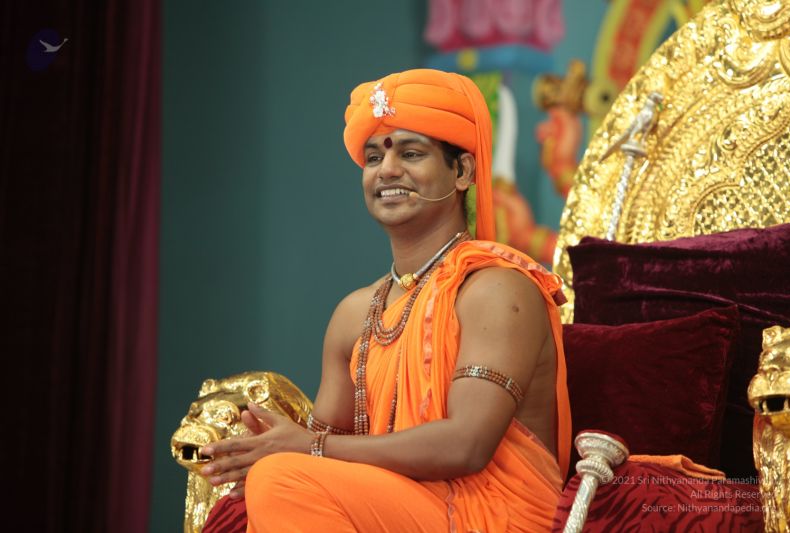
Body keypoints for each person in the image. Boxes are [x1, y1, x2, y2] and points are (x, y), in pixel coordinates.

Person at [200, 69, 571, 532]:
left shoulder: (497, 290)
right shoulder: (354, 314)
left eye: (411, 153)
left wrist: (304, 450)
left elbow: (467, 445)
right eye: (374, 157)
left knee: (282, 479)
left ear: (462, 172)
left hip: (496, 515)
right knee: (277, 478)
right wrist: (264, 447)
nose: (387, 170)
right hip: (399, 505)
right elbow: (325, 445)